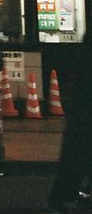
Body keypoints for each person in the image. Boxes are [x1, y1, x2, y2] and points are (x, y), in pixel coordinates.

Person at [47, 33, 92, 212]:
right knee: (77, 155)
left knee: (77, 155)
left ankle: (68, 195)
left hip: (83, 107)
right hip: (85, 108)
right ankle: (63, 197)